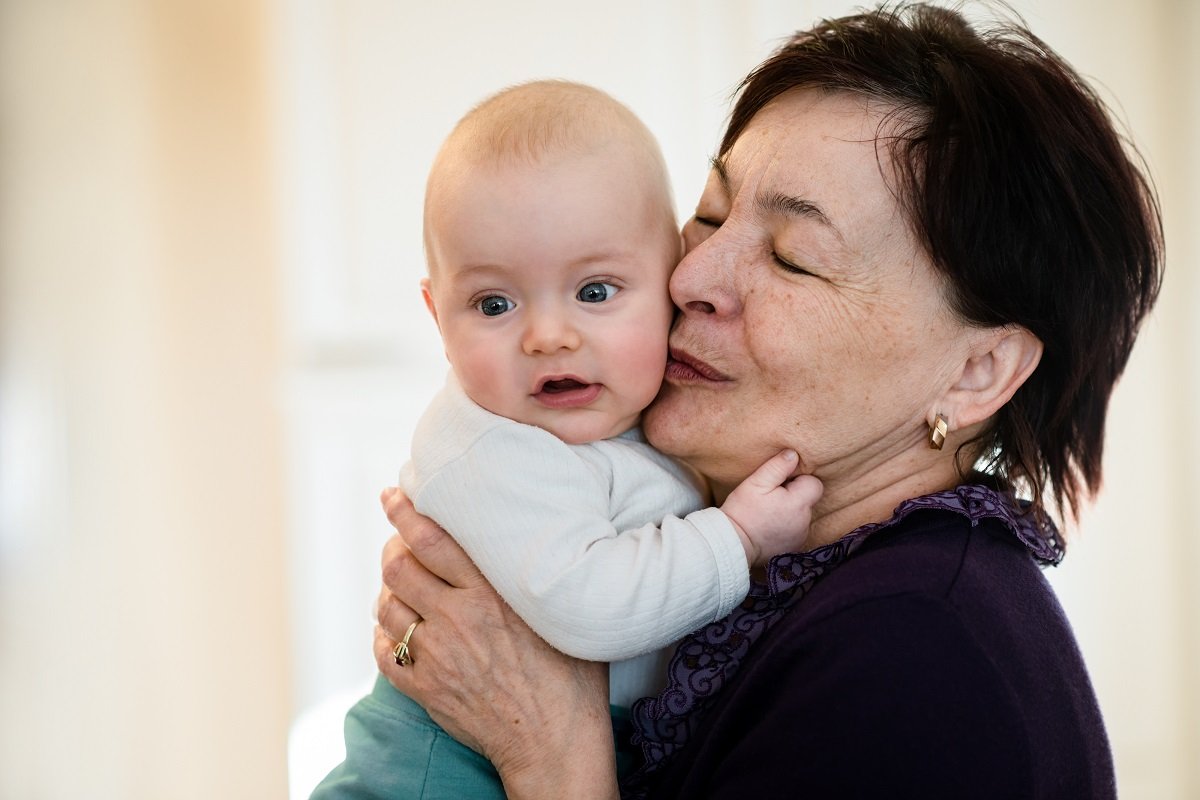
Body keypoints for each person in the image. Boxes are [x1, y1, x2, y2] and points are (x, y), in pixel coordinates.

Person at [370, 3, 1164, 799]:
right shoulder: (781, 575)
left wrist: (547, 748)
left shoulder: (917, 654)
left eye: (792, 259)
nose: (690, 278)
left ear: (977, 371)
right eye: (710, 215)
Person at [312, 80, 821, 798]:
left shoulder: (642, 412)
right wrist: (736, 539)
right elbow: (591, 607)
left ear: (669, 273)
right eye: (494, 303)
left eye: (595, 292)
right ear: (436, 316)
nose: (549, 337)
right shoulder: (493, 447)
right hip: (436, 772)